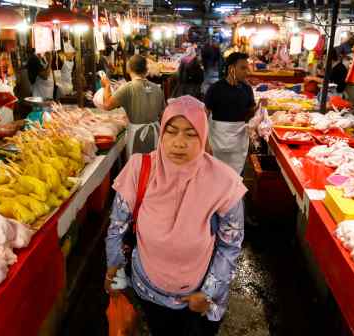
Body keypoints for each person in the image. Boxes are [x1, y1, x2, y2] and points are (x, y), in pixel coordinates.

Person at [105, 96, 247, 336]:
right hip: (148, 288)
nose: (179, 143)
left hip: (197, 298)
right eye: (171, 132)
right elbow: (117, 226)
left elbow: (230, 245)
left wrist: (209, 291)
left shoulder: (224, 182)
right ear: (162, 134)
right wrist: (114, 268)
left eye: (191, 134)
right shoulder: (140, 169)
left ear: (203, 136)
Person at [101, 55, 165, 160]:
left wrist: (107, 86)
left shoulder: (128, 87)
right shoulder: (157, 88)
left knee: (137, 168)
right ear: (146, 70)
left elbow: (107, 105)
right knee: (153, 165)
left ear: (129, 68)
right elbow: (163, 114)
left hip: (137, 136)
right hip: (156, 133)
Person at [204, 52, 259, 173]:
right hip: (217, 140)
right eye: (243, 68)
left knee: (236, 177)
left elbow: (251, 112)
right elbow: (204, 115)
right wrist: (205, 142)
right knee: (217, 175)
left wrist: (260, 108)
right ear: (231, 68)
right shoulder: (215, 89)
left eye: (247, 67)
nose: (247, 71)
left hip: (238, 140)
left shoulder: (246, 88)